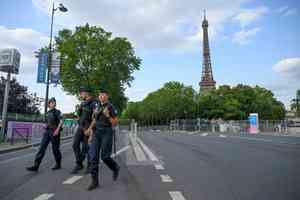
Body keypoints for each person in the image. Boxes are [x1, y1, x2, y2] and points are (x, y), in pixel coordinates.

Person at [85, 89, 119, 191]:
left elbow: (115, 122)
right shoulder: (97, 106)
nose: (101, 97)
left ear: (107, 96)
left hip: (106, 133)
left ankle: (115, 168)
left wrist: (108, 115)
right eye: (100, 95)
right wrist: (90, 129)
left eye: (103, 95)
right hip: (96, 133)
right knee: (93, 157)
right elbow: (95, 120)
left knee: (104, 156)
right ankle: (94, 181)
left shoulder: (111, 107)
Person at [26, 98, 63, 172]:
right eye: (52, 102)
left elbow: (61, 121)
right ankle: (36, 165)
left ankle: (58, 164)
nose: (54, 103)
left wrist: (57, 130)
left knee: (55, 149)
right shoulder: (47, 113)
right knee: (41, 148)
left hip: (54, 132)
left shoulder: (58, 112)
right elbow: (45, 122)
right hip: (47, 132)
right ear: (49, 104)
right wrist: (45, 125)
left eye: (54, 102)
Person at [71, 87, 98, 174]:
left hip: (89, 127)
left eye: (82, 93)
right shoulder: (82, 103)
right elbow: (78, 115)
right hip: (81, 127)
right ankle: (79, 164)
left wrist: (90, 129)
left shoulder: (94, 103)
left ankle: (90, 166)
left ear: (87, 93)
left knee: (87, 148)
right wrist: (79, 122)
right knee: (75, 145)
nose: (80, 95)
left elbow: (96, 118)